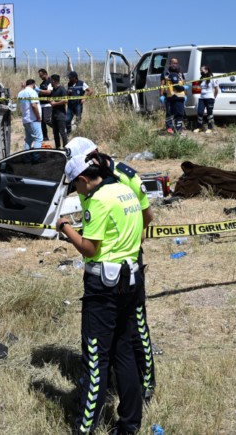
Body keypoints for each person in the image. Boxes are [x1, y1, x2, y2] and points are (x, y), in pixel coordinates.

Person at [57, 155, 145, 435]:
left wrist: (64, 227)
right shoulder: (124, 190)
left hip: (104, 288)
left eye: (76, 187)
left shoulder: (99, 200)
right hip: (131, 279)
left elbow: (89, 248)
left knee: (95, 358)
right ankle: (130, 424)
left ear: (84, 179)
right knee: (125, 354)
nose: (77, 193)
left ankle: (85, 427)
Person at [66, 137, 157, 401]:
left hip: (125, 261)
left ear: (92, 155)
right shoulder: (84, 179)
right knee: (99, 332)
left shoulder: (123, 176)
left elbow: (147, 215)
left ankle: (146, 381)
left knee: (135, 326)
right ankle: (100, 382)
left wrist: (131, 244)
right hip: (99, 264)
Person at [160, 57, 187, 134]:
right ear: (170, 63)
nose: (174, 64)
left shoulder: (180, 74)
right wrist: (161, 95)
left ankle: (177, 128)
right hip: (168, 95)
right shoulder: (166, 73)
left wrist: (185, 94)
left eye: (176, 63)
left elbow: (183, 84)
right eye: (173, 63)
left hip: (178, 95)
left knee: (178, 112)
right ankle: (169, 127)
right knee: (169, 112)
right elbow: (162, 84)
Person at [18, 79, 43, 150]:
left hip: (25, 119)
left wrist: (22, 87)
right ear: (34, 84)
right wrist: (38, 117)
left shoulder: (21, 93)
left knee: (28, 140)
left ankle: (27, 157)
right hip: (33, 119)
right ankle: (36, 157)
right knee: (38, 139)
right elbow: (34, 105)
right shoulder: (32, 92)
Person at [195, 64, 219, 133]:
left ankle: (210, 128)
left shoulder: (212, 78)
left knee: (209, 113)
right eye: (200, 71)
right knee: (199, 112)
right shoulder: (202, 78)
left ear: (206, 70)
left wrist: (214, 97)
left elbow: (216, 89)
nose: (201, 71)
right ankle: (199, 127)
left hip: (210, 98)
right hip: (202, 98)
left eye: (202, 70)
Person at [48, 74, 68, 149]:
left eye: (51, 81)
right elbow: (52, 100)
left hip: (61, 114)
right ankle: (57, 148)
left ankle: (66, 148)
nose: (50, 82)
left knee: (62, 132)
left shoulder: (62, 89)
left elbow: (65, 100)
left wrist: (55, 103)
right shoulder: (53, 91)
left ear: (54, 81)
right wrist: (51, 101)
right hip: (54, 114)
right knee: (55, 132)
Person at [37, 69, 53, 143]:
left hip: (48, 104)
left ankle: (58, 128)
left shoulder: (50, 81)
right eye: (40, 76)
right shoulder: (42, 83)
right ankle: (45, 137)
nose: (40, 77)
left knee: (47, 120)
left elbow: (49, 92)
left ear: (45, 74)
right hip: (41, 104)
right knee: (42, 122)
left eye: (41, 75)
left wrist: (39, 90)